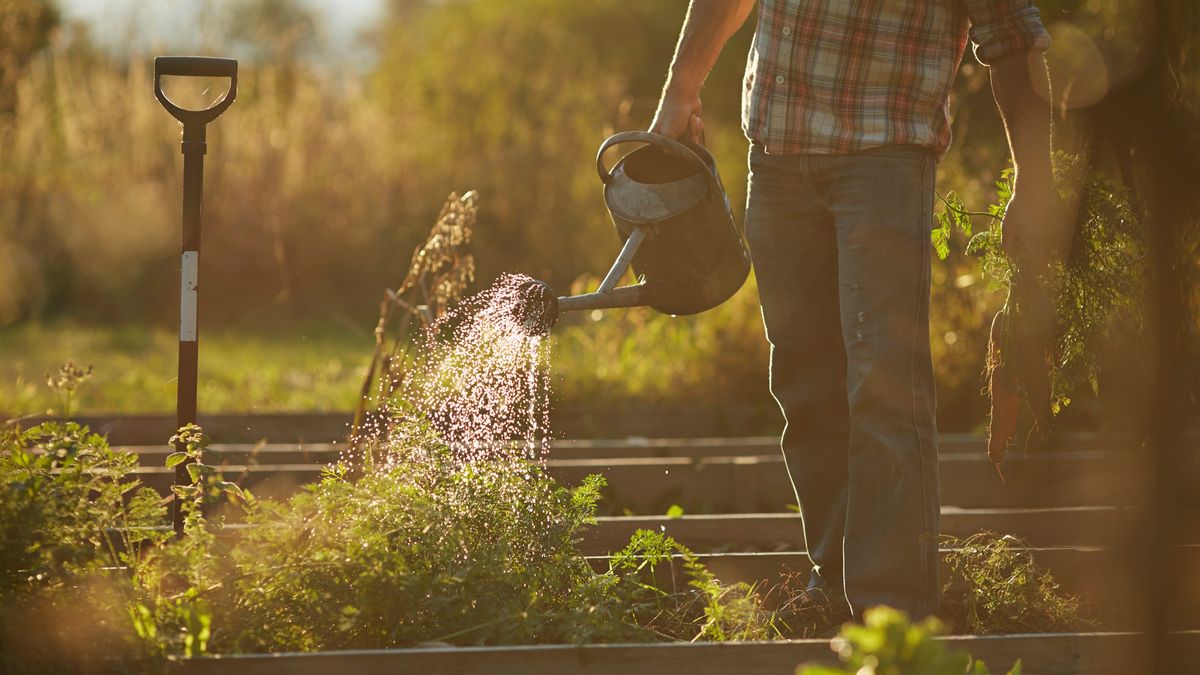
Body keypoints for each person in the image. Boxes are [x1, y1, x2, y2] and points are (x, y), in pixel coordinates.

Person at [650, 0, 1052, 622]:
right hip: (778, 154)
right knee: (806, 383)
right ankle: (836, 582)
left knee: (885, 387)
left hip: (884, 157)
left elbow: (1011, 35)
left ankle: (891, 614)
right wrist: (680, 88)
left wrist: (1035, 178)